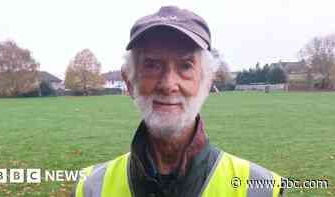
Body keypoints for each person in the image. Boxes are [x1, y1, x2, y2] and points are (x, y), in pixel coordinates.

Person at [71, 6, 284, 197]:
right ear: (129, 82)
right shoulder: (90, 188)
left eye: (185, 66)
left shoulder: (260, 189)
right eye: (152, 65)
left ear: (207, 81)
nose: (168, 84)